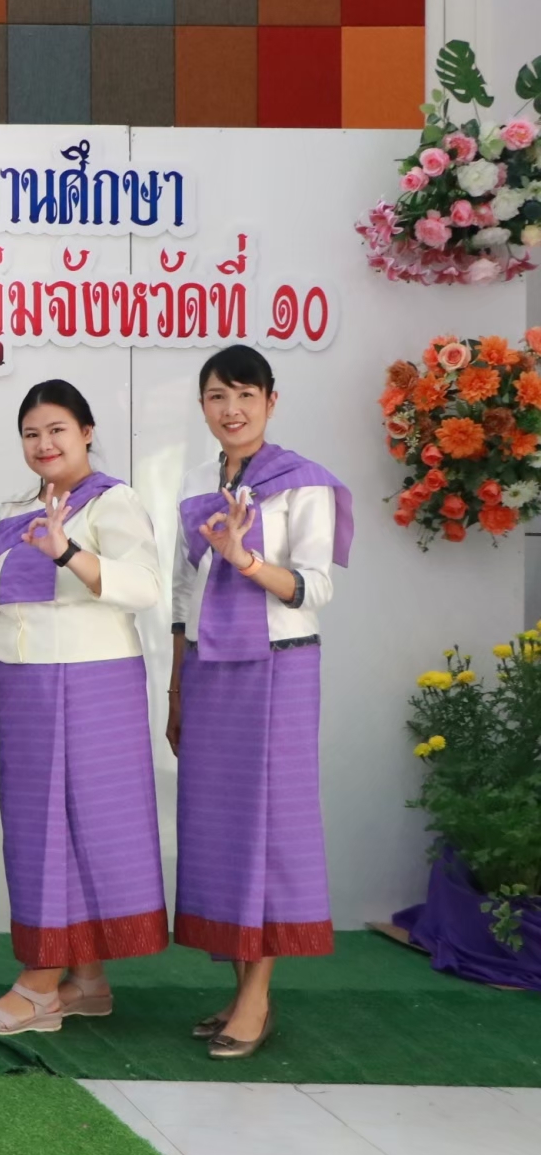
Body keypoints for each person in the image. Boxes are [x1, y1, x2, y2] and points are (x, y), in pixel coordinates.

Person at [0, 379, 167, 1035]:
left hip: (92, 683)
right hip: (25, 688)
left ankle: (40, 985)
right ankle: (87, 979)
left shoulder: (112, 500)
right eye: (31, 433)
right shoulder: (10, 511)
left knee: (76, 828)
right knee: (36, 827)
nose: (44, 443)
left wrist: (68, 551)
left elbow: (145, 586)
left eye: (57, 430)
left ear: (87, 432)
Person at [168, 345, 350, 1060]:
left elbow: (315, 587)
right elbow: (184, 595)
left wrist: (245, 559)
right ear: (203, 405)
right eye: (218, 396)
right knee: (223, 828)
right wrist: (176, 689)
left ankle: (258, 997)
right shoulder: (198, 485)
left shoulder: (303, 483)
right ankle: (242, 987)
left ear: (272, 401)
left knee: (269, 828)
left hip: (278, 668)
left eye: (245, 394)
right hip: (210, 670)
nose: (231, 409)